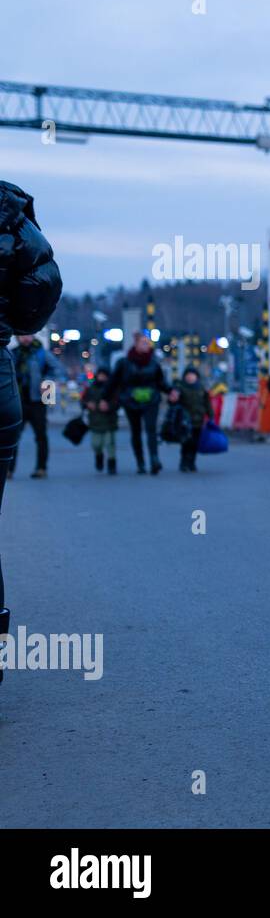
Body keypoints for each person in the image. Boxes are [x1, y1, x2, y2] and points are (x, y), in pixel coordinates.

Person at [0, 180, 63, 688]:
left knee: (37, 437)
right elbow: (40, 293)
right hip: (2, 392)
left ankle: (38, 464)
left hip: (29, 399)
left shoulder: (40, 357)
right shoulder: (8, 212)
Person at [109, 331, 171, 475]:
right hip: (131, 401)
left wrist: (171, 392)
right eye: (143, 343)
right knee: (135, 431)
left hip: (151, 400)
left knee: (151, 430)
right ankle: (140, 462)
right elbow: (113, 382)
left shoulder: (154, 363)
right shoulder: (124, 363)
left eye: (147, 343)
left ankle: (154, 459)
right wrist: (105, 398)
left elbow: (161, 382)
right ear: (136, 344)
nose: (146, 345)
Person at [10, 333, 62, 478]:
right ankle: (9, 469)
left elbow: (57, 369)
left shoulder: (41, 353)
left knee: (41, 436)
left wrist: (47, 382)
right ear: (18, 338)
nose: (25, 338)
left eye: (28, 335)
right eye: (22, 336)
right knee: (13, 437)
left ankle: (41, 468)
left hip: (37, 401)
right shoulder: (13, 353)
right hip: (17, 401)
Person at [172, 365, 213, 472]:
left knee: (195, 443)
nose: (190, 377)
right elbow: (173, 403)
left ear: (196, 377)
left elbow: (207, 403)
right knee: (186, 442)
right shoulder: (180, 388)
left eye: (192, 375)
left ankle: (192, 463)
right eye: (188, 375)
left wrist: (211, 416)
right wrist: (173, 398)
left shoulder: (202, 388)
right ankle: (183, 463)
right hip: (185, 421)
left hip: (198, 421)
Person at [80, 367, 119, 475]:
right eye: (100, 375)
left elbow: (118, 402)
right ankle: (99, 456)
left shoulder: (113, 388)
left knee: (110, 444)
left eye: (104, 376)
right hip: (95, 421)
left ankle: (112, 464)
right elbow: (83, 400)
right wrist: (87, 404)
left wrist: (109, 406)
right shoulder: (90, 388)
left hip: (109, 421)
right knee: (96, 444)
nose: (102, 378)